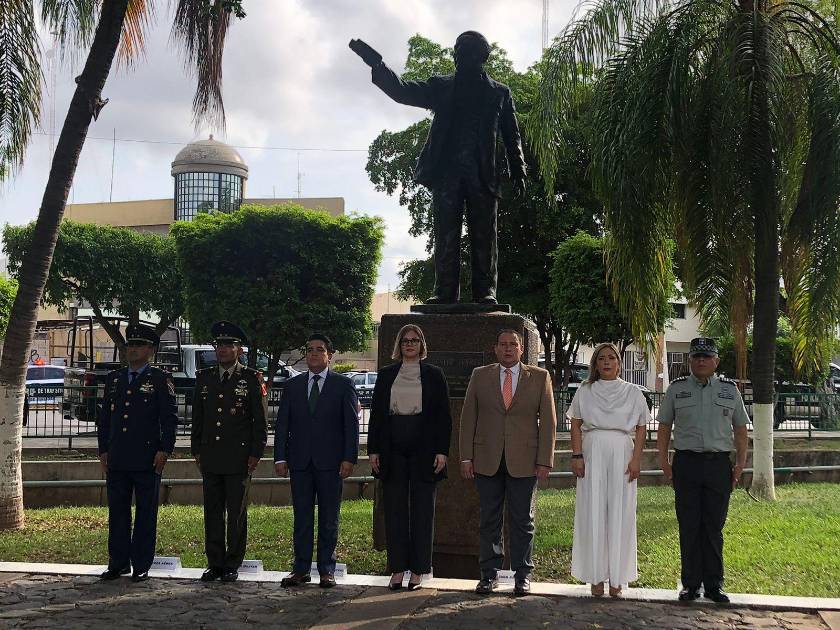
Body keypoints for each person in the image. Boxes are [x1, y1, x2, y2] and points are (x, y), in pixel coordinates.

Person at [350, 31, 526, 304]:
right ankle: (444, 291)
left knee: (485, 236)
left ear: (481, 57)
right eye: (456, 51)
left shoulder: (499, 93)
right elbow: (403, 91)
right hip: (447, 174)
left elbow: (511, 135)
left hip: (482, 174)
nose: (457, 56)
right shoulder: (441, 86)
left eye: (463, 51)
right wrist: (377, 66)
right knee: (445, 233)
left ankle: (485, 292)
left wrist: (519, 168)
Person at [460, 329, 557, 596]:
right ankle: (488, 575)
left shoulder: (539, 377)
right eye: (502, 344)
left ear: (521, 349)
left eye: (513, 344)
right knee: (489, 519)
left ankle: (522, 574)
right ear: (495, 348)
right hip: (487, 460)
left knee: (522, 520)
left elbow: (549, 421)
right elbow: (468, 418)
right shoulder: (480, 376)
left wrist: (545, 461)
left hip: (525, 461)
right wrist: (466, 457)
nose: (507, 349)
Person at [656, 337, 749, 604]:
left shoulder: (730, 391)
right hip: (686, 463)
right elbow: (664, 427)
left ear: (716, 361)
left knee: (713, 526)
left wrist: (741, 463)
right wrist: (664, 461)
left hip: (719, 464)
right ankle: (690, 584)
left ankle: (714, 585)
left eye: (706, 357)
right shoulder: (677, 389)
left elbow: (741, 429)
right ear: (689, 361)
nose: (701, 360)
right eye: (696, 356)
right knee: (689, 525)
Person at [368, 324, 452, 591]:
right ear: (399, 345)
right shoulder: (386, 375)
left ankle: (418, 570)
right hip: (392, 447)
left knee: (422, 509)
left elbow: (443, 417)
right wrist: (373, 450)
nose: (410, 344)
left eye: (415, 340)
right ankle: (397, 569)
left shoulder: (434, 375)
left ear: (422, 345)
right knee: (394, 509)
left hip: (424, 448)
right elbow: (377, 416)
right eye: (405, 340)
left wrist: (442, 451)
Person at [275, 333, 359, 588]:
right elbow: (282, 426)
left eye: (319, 349)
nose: (313, 353)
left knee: (329, 518)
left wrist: (349, 458)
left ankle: (326, 569)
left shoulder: (343, 385)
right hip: (300, 462)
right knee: (302, 517)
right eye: (309, 349)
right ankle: (300, 569)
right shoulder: (292, 386)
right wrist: (280, 457)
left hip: (331, 463)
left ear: (329, 355)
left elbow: (351, 425)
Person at [567, 343, 650, 598]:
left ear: (618, 362)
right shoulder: (585, 390)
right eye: (601, 358)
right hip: (592, 451)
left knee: (621, 511)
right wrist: (577, 456)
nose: (606, 362)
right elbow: (576, 424)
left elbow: (641, 427)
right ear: (595, 364)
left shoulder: (633, 392)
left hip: (622, 451)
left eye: (611, 358)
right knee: (592, 510)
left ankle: (618, 577)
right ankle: (595, 577)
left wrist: (636, 460)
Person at [98, 323, 177, 582]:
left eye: (138, 345)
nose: (133, 349)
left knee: (145, 514)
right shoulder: (115, 378)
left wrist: (165, 450)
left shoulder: (158, 379)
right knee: (118, 513)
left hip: (146, 458)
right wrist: (103, 450)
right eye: (130, 344)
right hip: (118, 456)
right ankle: (117, 562)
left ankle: (141, 563)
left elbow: (169, 419)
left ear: (150, 350)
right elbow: (105, 419)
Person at [191, 321, 267, 583]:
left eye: (228, 345)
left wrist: (256, 453)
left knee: (235, 513)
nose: (222, 349)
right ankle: (215, 563)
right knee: (212, 512)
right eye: (219, 345)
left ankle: (233, 562)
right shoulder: (204, 378)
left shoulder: (251, 379)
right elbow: (198, 420)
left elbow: (260, 421)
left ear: (239, 349)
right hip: (211, 456)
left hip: (239, 458)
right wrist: (196, 450)